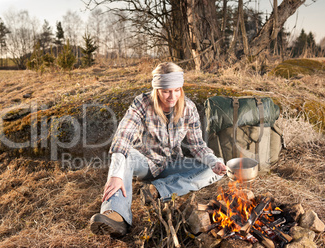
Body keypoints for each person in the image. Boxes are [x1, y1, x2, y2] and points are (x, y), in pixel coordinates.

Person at [90, 62, 227, 237]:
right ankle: (116, 215)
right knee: (128, 155)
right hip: (145, 164)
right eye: (166, 91)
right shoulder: (142, 103)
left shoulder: (189, 108)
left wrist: (213, 162)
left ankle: (157, 190)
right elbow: (123, 137)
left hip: (172, 164)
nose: (172, 96)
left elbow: (198, 146)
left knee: (216, 165)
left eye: (177, 90)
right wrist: (116, 174)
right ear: (157, 89)